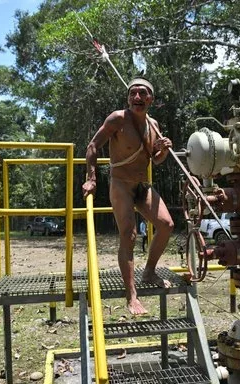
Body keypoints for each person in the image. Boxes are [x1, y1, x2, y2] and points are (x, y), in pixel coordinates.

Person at [82, 77, 174, 315]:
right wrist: (92, 178)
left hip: (142, 185)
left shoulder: (153, 125)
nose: (137, 98)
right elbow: (93, 146)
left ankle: (149, 271)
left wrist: (163, 149)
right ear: (128, 98)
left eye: (143, 94)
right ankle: (131, 294)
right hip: (120, 184)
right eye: (133, 93)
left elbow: (156, 159)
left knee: (166, 225)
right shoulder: (118, 119)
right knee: (129, 234)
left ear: (150, 99)